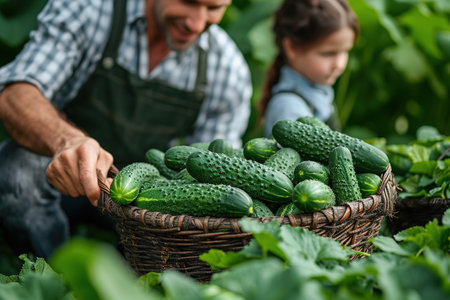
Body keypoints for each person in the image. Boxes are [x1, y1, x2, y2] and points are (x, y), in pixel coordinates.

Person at [0, 0, 252, 259]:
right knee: (17, 172)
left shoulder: (228, 70)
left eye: (214, 8)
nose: (196, 23)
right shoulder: (89, 9)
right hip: (60, 172)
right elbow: (15, 93)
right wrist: (67, 141)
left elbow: (213, 181)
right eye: (188, 1)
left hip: (143, 197)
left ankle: (129, 279)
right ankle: (44, 273)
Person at [260, 0, 359, 137]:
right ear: (292, 48)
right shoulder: (289, 109)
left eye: (345, 51)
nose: (339, 64)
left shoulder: (318, 90)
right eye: (328, 53)